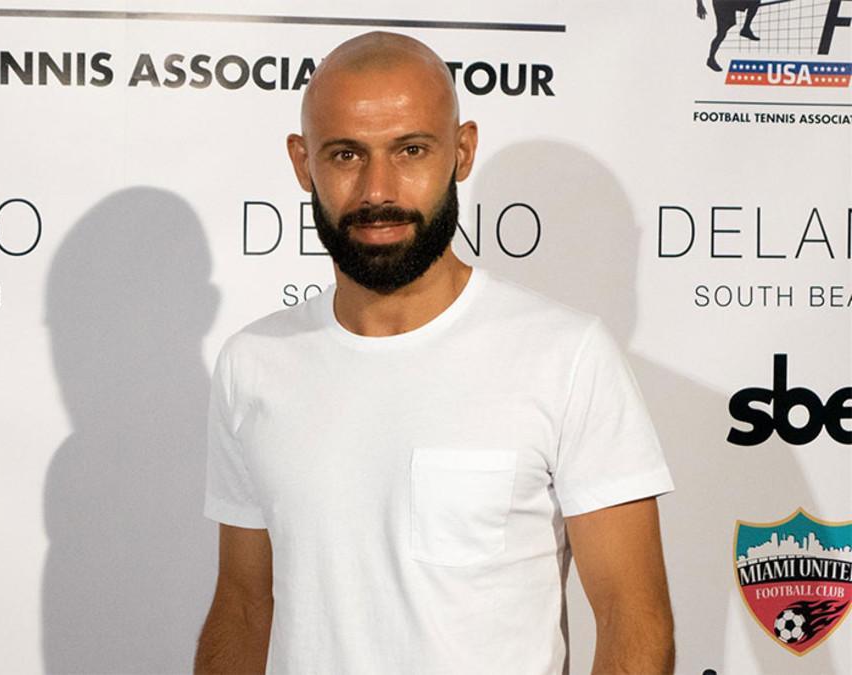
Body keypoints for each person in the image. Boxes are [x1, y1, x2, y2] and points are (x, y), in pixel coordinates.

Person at [194, 31, 675, 674]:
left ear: (463, 150)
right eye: (345, 155)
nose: (377, 190)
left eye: (411, 149)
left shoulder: (566, 357)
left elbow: (632, 620)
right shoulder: (253, 363)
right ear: (302, 162)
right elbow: (245, 606)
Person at [698, 0, 762, 72]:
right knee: (721, 34)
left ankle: (746, 28)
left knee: (754, 2)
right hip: (721, 3)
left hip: (730, 2)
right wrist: (700, 5)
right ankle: (711, 59)